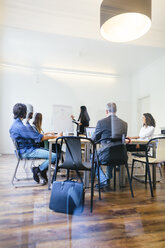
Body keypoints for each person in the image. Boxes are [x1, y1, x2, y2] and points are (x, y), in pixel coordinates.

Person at [9, 103, 62, 184]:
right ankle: (39, 170)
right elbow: (40, 138)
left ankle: (40, 170)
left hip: (24, 150)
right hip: (27, 152)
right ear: (24, 113)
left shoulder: (15, 124)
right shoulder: (21, 127)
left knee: (51, 153)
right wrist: (56, 136)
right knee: (55, 156)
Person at [92, 102, 127, 189]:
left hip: (107, 154)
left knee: (92, 157)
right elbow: (123, 139)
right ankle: (108, 178)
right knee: (112, 151)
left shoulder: (101, 122)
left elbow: (93, 139)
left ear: (106, 111)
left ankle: (104, 180)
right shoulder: (124, 123)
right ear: (116, 110)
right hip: (121, 155)